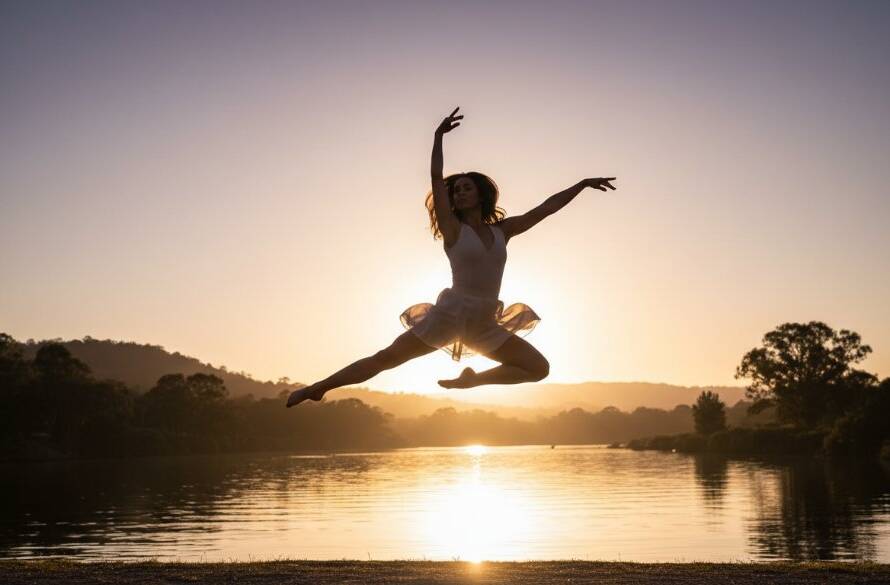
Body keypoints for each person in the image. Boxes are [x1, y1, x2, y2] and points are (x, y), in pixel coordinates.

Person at [286, 107, 616, 407]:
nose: (459, 192)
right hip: (450, 314)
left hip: (484, 321)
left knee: (538, 368)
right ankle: (318, 387)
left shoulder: (504, 231)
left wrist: (582, 184)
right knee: (385, 358)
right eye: (456, 190)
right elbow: (434, 179)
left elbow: (546, 209)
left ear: (481, 195)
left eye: (466, 188)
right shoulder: (453, 230)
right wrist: (437, 137)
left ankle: (473, 380)